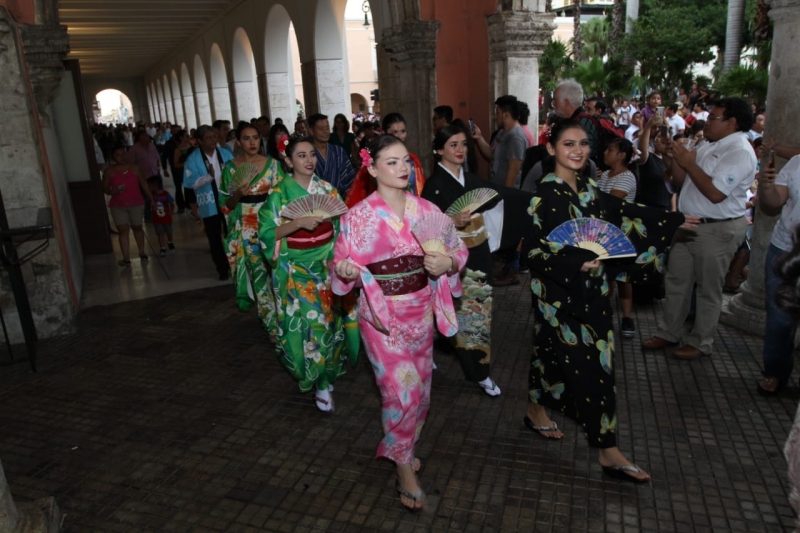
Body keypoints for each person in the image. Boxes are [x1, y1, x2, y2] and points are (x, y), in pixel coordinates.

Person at [522, 119, 694, 483]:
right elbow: (534, 253)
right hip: (560, 296)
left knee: (550, 353)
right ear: (551, 149)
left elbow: (618, 216)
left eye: (583, 143)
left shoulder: (588, 185)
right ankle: (607, 449)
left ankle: (535, 409)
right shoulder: (543, 195)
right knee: (594, 368)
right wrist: (573, 259)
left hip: (595, 290)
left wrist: (669, 221)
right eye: (568, 144)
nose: (577, 150)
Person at [331, 135, 468, 510]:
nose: (402, 168)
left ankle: (403, 446)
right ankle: (404, 468)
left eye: (405, 160)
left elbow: (457, 249)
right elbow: (341, 268)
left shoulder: (427, 211)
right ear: (371, 169)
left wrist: (448, 263)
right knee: (402, 391)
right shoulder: (355, 218)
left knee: (421, 392)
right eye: (390, 162)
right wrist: (344, 271)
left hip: (421, 311)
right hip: (381, 317)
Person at [642, 98, 757, 359]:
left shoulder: (739, 151)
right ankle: (669, 331)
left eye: (714, 118)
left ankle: (700, 341)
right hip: (689, 224)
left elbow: (716, 194)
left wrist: (689, 162)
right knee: (677, 282)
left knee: (708, 288)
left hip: (716, 229)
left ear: (732, 123)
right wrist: (671, 159)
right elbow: (682, 182)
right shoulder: (708, 143)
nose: (707, 123)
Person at [259, 136, 359, 411]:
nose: (309, 160)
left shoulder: (327, 189)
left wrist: (338, 259)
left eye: (312, 154)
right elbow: (267, 235)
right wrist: (297, 224)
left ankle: (326, 375)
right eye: (301, 156)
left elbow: (342, 229)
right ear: (288, 161)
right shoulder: (278, 193)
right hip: (296, 270)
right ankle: (321, 383)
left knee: (330, 323)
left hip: (326, 267)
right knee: (312, 328)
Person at [421, 125, 509, 396]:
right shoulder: (434, 186)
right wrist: (450, 219)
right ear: (439, 150)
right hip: (452, 262)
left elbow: (498, 197)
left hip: (479, 254)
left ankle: (446, 347)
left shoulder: (471, 179)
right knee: (470, 318)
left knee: (475, 315)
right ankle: (479, 373)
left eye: (463, 144)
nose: (460, 150)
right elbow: (425, 228)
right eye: (453, 145)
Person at [219, 122, 282, 339]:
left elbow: (282, 196)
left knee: (277, 273)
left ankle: (284, 318)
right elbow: (225, 205)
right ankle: (271, 324)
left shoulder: (273, 165)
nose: (252, 142)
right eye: (246, 138)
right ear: (238, 142)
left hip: (270, 225)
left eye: (255, 137)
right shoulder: (230, 168)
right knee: (259, 276)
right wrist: (237, 193)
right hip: (246, 228)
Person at [756, 153, 800, 394]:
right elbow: (774, 202)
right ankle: (775, 371)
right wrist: (766, 186)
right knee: (779, 316)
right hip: (784, 248)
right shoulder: (796, 162)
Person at [596, 138, 638, 337]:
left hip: (620, 234)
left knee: (622, 277)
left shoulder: (627, 177)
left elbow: (608, 202)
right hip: (604, 232)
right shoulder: (605, 174)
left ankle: (627, 317)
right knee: (607, 276)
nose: (605, 152)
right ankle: (604, 314)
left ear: (621, 155)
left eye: (610, 149)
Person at [183, 125, 235, 280]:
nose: (213, 140)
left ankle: (234, 264)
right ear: (199, 140)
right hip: (209, 203)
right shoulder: (193, 159)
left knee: (231, 234)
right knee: (214, 237)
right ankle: (222, 268)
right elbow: (190, 182)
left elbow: (235, 174)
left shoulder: (225, 153)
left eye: (214, 136)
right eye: (209, 137)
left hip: (228, 202)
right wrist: (208, 177)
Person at [345, 112, 426, 207]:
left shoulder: (413, 160)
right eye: (394, 132)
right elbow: (363, 191)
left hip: (412, 209)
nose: (400, 136)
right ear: (384, 133)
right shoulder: (373, 162)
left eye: (403, 131)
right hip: (381, 210)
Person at [102, 146, 154, 266]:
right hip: (118, 205)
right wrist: (112, 192)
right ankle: (126, 258)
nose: (122, 157)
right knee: (123, 230)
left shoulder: (135, 169)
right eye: (118, 155)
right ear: (113, 157)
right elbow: (104, 188)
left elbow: (144, 184)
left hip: (136, 203)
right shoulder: (109, 171)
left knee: (137, 227)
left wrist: (152, 199)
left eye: (123, 154)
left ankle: (142, 251)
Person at [308, 113, 356, 198]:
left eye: (327, 128)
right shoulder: (307, 154)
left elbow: (349, 178)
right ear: (311, 131)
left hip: (340, 200)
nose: (326, 131)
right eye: (321, 128)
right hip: (316, 202)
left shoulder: (338, 151)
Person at [147, 175, 175, 257]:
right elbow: (149, 205)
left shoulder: (165, 194)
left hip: (166, 217)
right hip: (157, 219)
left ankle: (170, 241)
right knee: (160, 233)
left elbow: (171, 203)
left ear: (155, 185)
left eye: (150, 185)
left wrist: (171, 212)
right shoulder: (151, 196)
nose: (148, 187)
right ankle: (162, 247)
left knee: (169, 231)